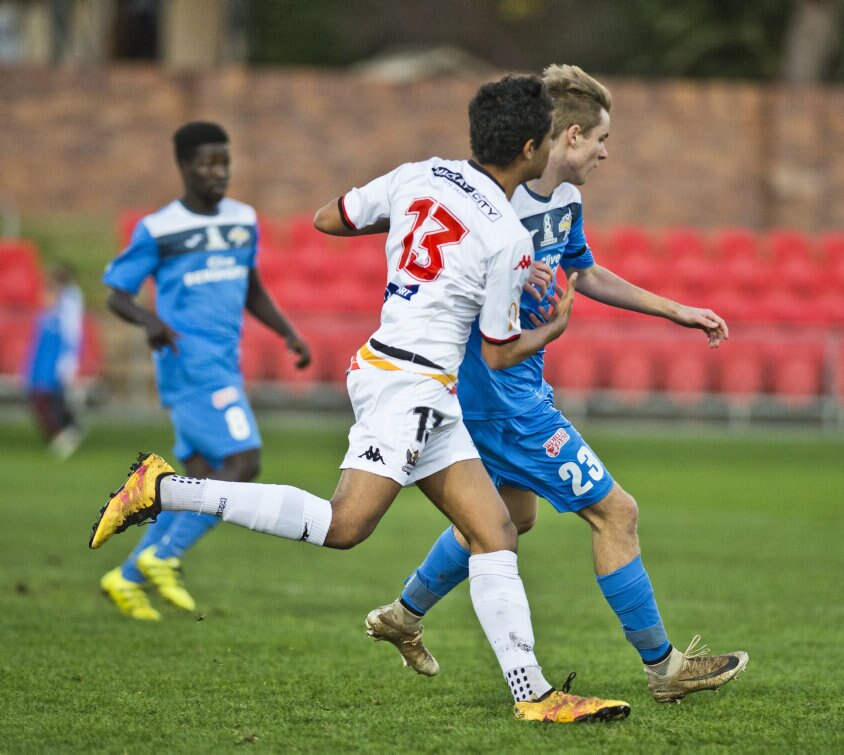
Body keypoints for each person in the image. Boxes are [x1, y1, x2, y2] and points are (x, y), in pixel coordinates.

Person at [89, 75, 630, 723]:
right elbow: (497, 351)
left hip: (406, 372)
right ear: (527, 147)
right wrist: (554, 326)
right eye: (545, 138)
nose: (549, 150)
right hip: (410, 382)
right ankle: (165, 489)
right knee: (343, 525)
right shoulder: (508, 239)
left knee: (495, 530)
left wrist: (411, 242)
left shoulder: (420, 173)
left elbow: (329, 217)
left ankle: (533, 694)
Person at [364, 64, 749, 704]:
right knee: (616, 512)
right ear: (567, 137)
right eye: (600, 139)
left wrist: (676, 310)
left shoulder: (564, 201)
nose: (606, 152)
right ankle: (664, 668)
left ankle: (404, 615)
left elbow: (586, 273)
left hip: (518, 389)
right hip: (500, 399)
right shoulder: (493, 203)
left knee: (512, 516)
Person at [98, 121, 312, 622]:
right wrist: (149, 320)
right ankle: (161, 556)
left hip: (222, 364)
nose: (219, 172)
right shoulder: (159, 228)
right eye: (207, 163)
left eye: (224, 162)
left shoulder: (243, 220)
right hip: (188, 363)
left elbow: (251, 286)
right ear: (184, 166)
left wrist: (287, 332)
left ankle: (127, 576)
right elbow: (115, 294)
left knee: (200, 476)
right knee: (243, 461)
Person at [23, 263, 85, 460]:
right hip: (41, 365)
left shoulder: (64, 313)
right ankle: (68, 429)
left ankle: (63, 432)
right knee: (45, 397)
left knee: (48, 397)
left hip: (51, 365)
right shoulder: (46, 316)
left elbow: (71, 336)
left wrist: (68, 362)